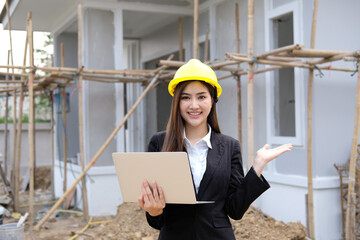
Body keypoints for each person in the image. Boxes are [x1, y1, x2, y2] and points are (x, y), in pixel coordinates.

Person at [138, 59, 292, 240]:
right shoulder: (159, 143)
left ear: (212, 100)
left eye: (201, 97)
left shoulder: (229, 146)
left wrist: (258, 166)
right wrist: (154, 211)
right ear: (177, 102)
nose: (194, 105)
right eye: (186, 97)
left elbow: (235, 210)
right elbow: (157, 220)